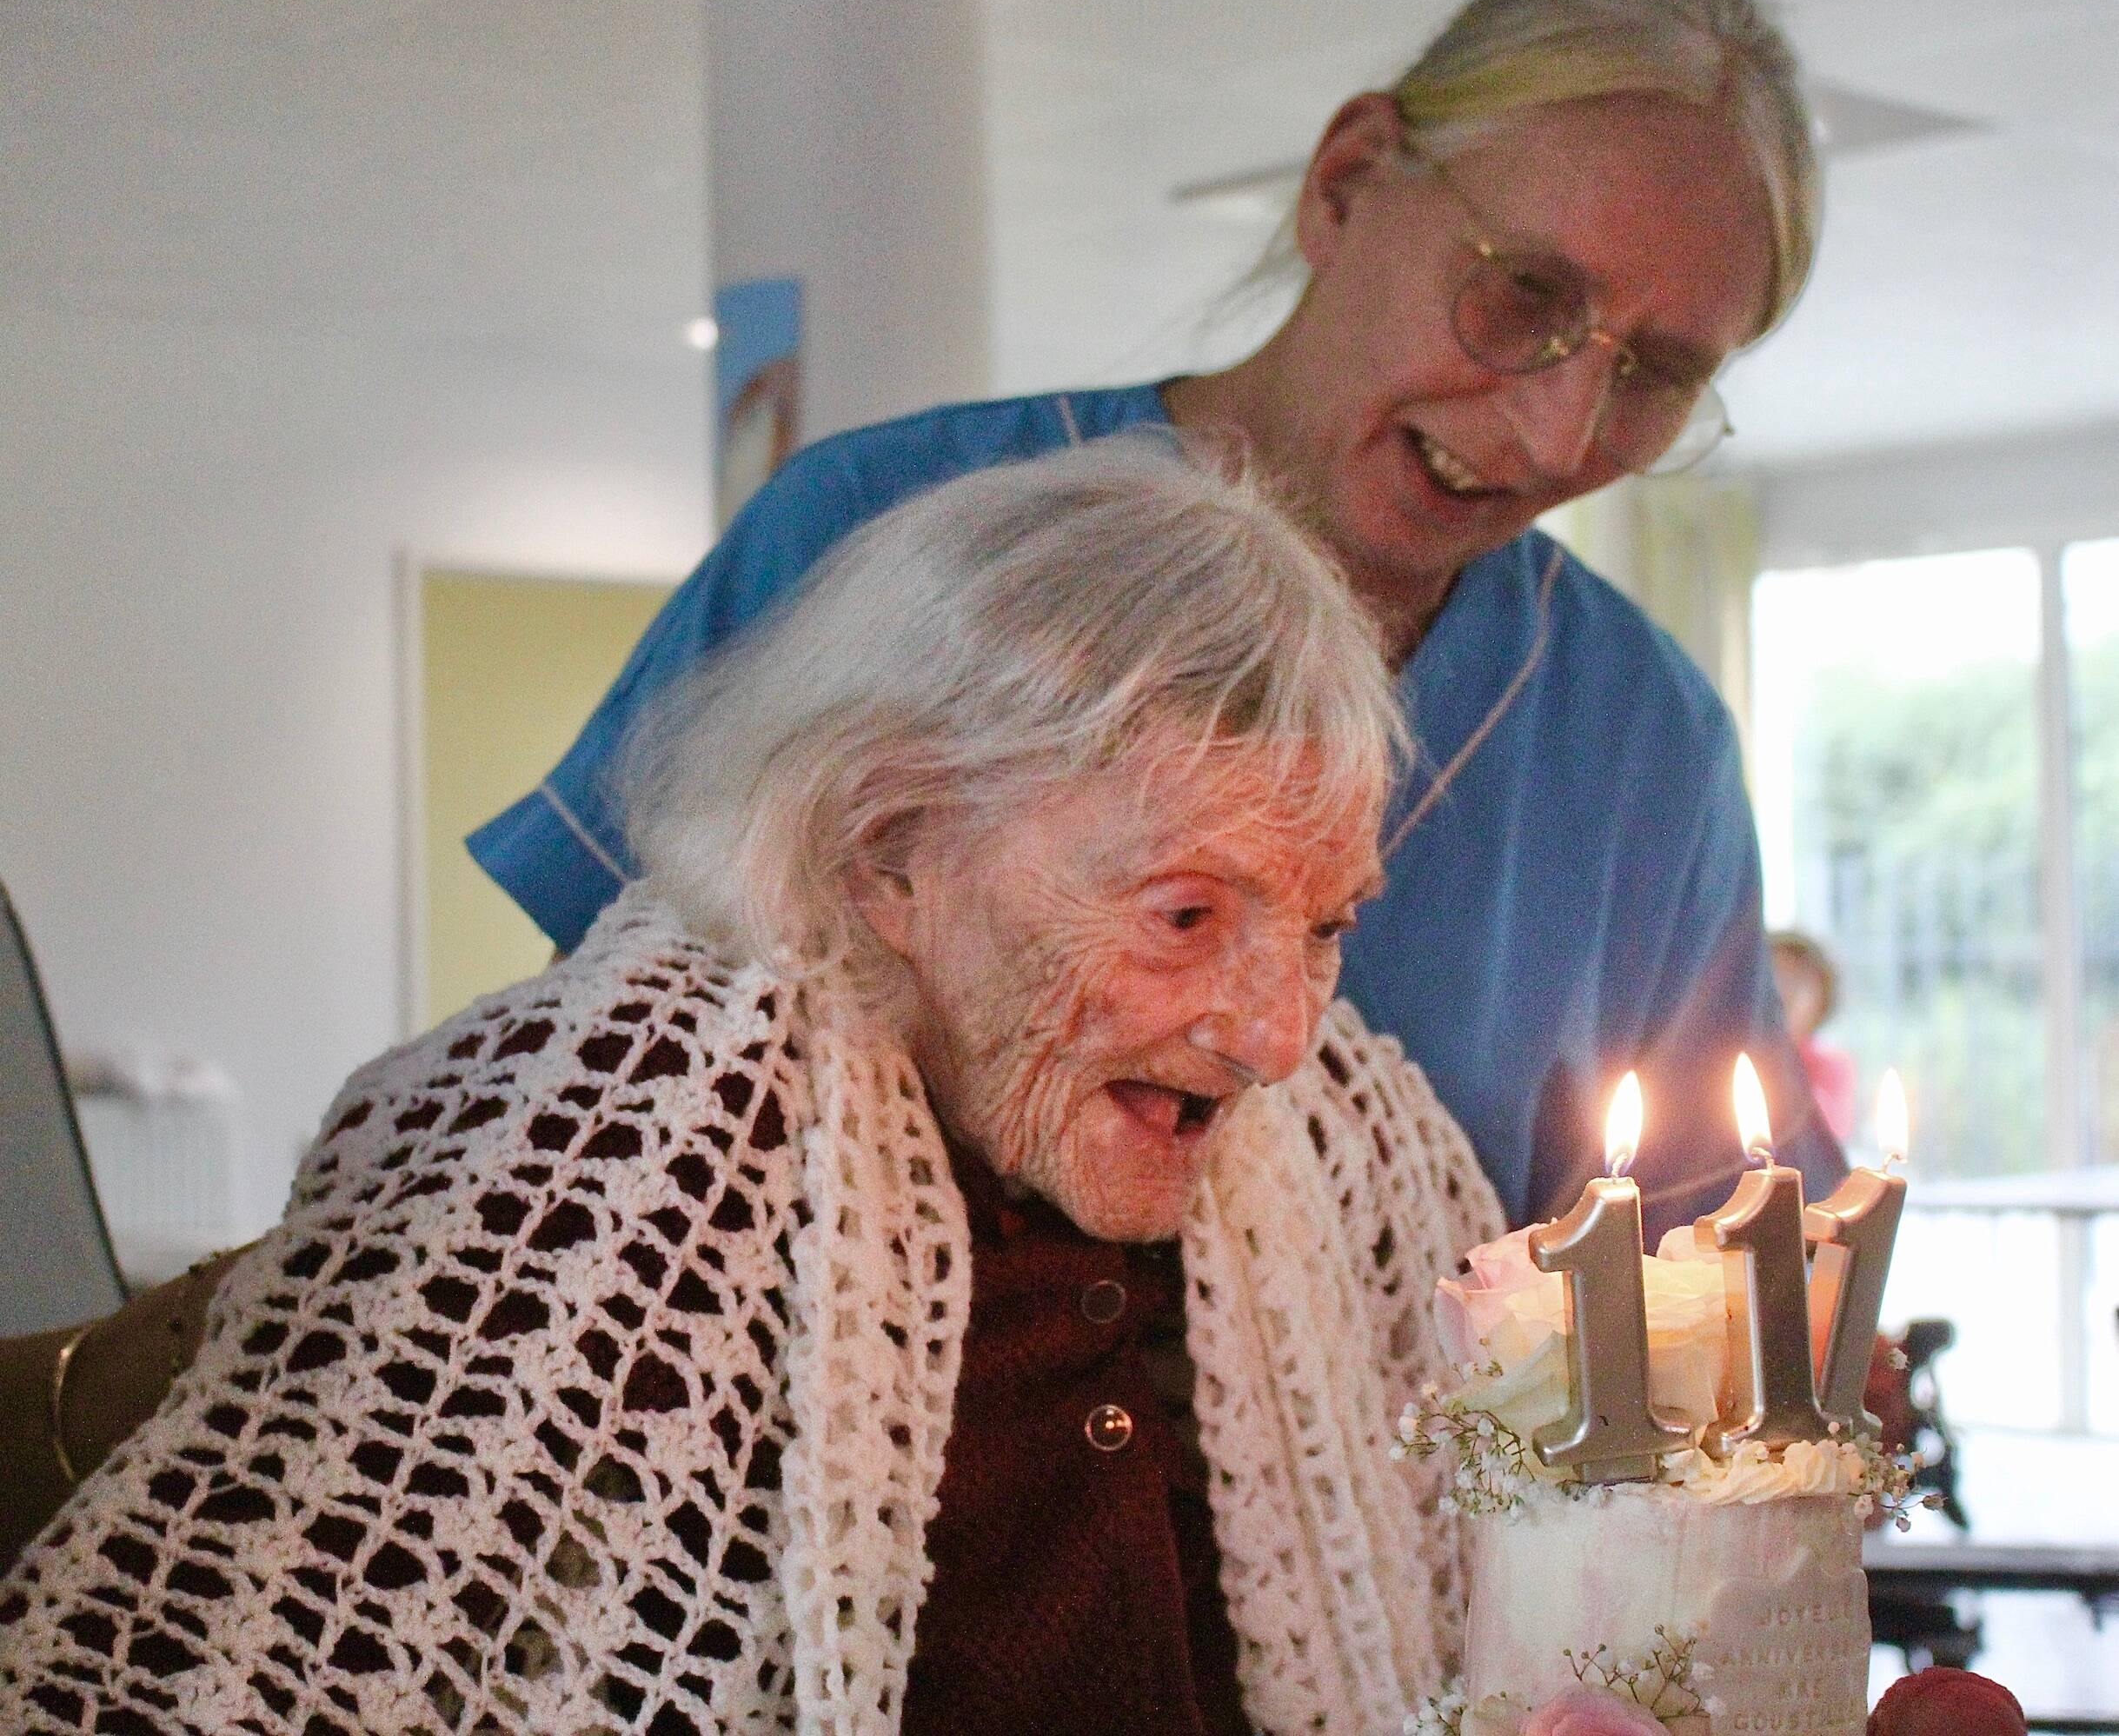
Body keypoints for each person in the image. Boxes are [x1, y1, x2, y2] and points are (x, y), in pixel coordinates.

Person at [0, 444, 1503, 1734]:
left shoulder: (1341, 1151)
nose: (1274, 1036)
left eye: (1322, 925)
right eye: (1184, 916)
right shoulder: (600, 1156)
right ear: (887, 851)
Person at [468, 0, 1845, 1240]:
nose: (1556, 434)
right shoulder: (869, 531)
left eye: (1654, 374)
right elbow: (601, 1098)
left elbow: (1701, 1260)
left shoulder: (1632, 738)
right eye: (1523, 293)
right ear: (1346, 180)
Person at [1770, 928, 1859, 1142]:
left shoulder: (1830, 1064)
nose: (1782, 990)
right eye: (1775, 974)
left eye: (1797, 980)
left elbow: (1828, 1130)